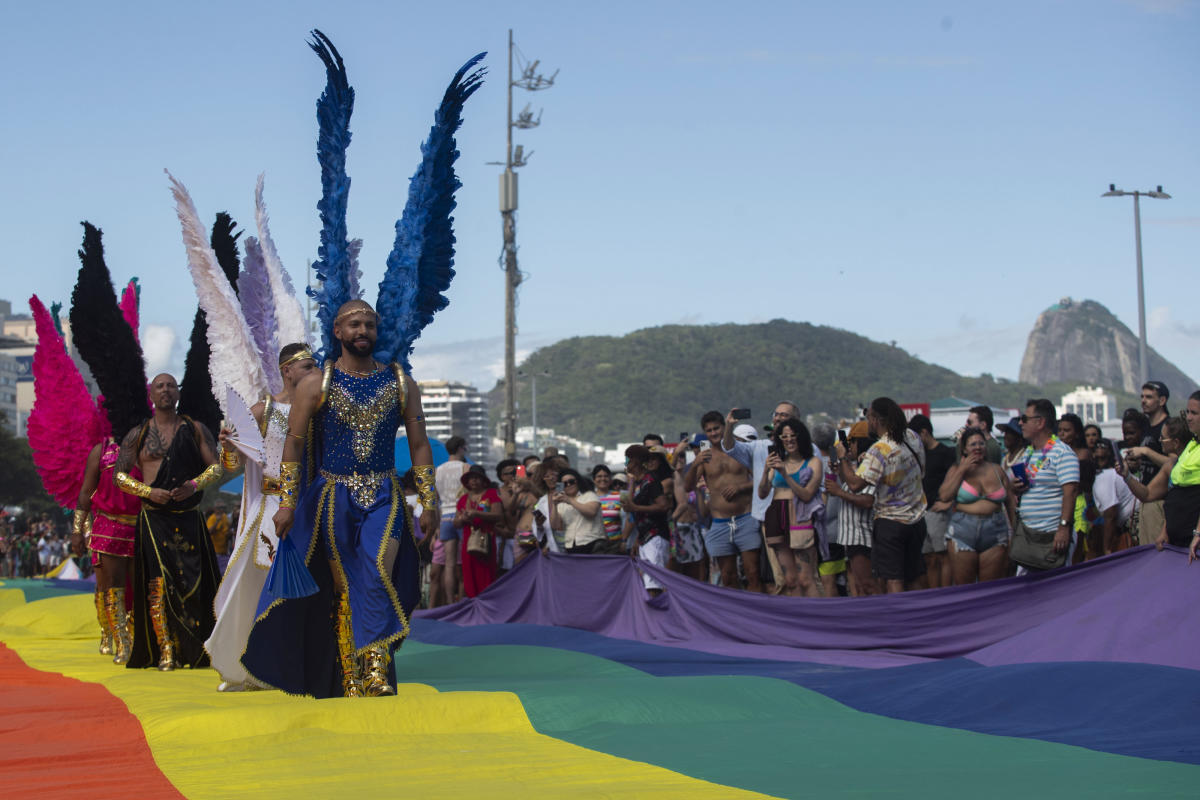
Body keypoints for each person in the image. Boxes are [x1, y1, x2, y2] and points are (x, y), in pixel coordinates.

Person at [242, 299, 438, 698]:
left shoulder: (401, 383)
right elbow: (293, 448)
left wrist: (430, 500)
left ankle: (377, 670)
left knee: (377, 568)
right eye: (354, 325)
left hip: (385, 494)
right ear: (338, 332)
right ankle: (349, 674)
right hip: (334, 498)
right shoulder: (317, 384)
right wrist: (288, 503)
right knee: (344, 586)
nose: (362, 330)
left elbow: (418, 444)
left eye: (368, 324)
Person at [205, 343, 318, 691]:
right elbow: (230, 465)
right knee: (263, 586)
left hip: (310, 506)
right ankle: (253, 662)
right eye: (307, 366)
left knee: (306, 589)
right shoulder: (265, 409)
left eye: (315, 365)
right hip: (271, 507)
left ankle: (299, 663)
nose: (314, 371)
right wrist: (227, 444)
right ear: (287, 370)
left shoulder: (318, 406)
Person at [115, 373, 222, 671]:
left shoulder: (195, 429)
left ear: (178, 393)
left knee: (195, 583)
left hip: (189, 516)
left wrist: (194, 485)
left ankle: (197, 648)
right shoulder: (137, 434)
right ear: (151, 394)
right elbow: (119, 476)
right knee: (159, 583)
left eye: (170, 385)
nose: (165, 390)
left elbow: (216, 468)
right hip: (154, 517)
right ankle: (166, 648)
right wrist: (148, 491)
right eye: (159, 386)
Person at [838, 397, 927, 593]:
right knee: (914, 576)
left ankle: (899, 621)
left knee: (893, 578)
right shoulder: (912, 436)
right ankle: (920, 617)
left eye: (868, 417)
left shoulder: (879, 450)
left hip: (891, 522)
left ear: (876, 420)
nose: (867, 422)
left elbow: (854, 485)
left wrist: (843, 456)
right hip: (917, 519)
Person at [685, 411, 759, 592]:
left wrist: (740, 488)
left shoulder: (740, 449)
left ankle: (759, 617)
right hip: (719, 522)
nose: (713, 433)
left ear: (724, 428)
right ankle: (734, 618)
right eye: (709, 431)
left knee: (753, 572)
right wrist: (695, 464)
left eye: (716, 428)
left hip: (745, 517)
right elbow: (688, 487)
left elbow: (761, 479)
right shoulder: (705, 456)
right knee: (727, 576)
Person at [939, 428, 1016, 584]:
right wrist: (962, 469)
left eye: (981, 443)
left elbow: (1010, 503)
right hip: (963, 530)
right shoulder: (956, 469)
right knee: (965, 588)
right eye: (973, 444)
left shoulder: (997, 470)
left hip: (995, 530)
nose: (978, 447)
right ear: (964, 449)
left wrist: (1014, 532)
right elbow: (945, 496)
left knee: (990, 588)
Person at [1011, 398, 1080, 571]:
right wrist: (1015, 487)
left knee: (1055, 590)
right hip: (1027, 535)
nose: (1020, 423)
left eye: (1025, 419)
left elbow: (1070, 493)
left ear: (1040, 422)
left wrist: (1064, 528)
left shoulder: (1062, 453)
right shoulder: (1028, 453)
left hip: (1051, 537)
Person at [758, 418, 824, 596]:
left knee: (806, 578)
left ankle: (819, 618)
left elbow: (807, 494)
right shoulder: (779, 462)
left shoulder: (813, 462)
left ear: (801, 437)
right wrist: (766, 471)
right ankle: (798, 620)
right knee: (790, 580)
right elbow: (762, 493)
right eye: (784, 436)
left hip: (800, 517)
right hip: (776, 514)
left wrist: (785, 475)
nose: (789, 440)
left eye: (793, 436)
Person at [829, 421, 879, 596]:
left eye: (852, 442)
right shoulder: (858, 466)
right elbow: (851, 486)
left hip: (862, 536)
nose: (849, 446)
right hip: (852, 536)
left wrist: (838, 492)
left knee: (868, 585)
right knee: (859, 585)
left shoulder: (870, 466)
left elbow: (867, 500)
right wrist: (841, 471)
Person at [909, 414, 955, 588]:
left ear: (924, 432)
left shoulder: (945, 453)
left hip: (938, 512)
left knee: (942, 556)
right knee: (928, 558)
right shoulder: (918, 455)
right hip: (922, 512)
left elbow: (957, 480)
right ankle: (933, 593)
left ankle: (945, 593)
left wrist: (948, 503)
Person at [621, 444, 673, 594]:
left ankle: (655, 617)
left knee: (653, 583)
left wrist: (636, 508)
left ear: (635, 462)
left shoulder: (651, 481)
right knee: (647, 582)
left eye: (628, 460)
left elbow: (663, 506)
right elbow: (629, 505)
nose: (626, 464)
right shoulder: (639, 482)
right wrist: (638, 539)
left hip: (655, 536)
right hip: (645, 538)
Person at [456, 465, 503, 596]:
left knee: (487, 573)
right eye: (471, 478)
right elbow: (456, 523)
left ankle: (487, 606)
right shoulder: (463, 499)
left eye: (477, 478)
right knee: (469, 574)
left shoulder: (491, 494)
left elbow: (498, 515)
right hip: (468, 542)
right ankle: (473, 605)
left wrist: (477, 514)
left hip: (486, 539)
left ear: (483, 481)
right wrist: (462, 518)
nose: (474, 481)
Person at [435, 436, 469, 606]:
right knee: (463, 562)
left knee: (448, 564)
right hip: (461, 516)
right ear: (461, 448)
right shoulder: (465, 468)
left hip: (445, 517)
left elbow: (434, 500)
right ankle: (462, 601)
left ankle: (449, 602)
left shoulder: (437, 470)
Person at [1091, 438, 1137, 556]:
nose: (1099, 452)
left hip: (1135, 523)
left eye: (1103, 457)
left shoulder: (1104, 477)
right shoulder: (1103, 476)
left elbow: (1111, 515)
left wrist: (1107, 549)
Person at [669, 444, 708, 580]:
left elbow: (702, 511)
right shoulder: (670, 479)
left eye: (683, 456)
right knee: (677, 571)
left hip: (693, 528)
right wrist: (670, 521)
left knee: (697, 569)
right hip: (677, 529)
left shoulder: (689, 480)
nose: (681, 459)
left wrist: (698, 491)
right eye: (677, 456)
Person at [550, 468, 607, 554]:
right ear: (561, 486)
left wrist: (570, 500)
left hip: (593, 543)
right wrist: (554, 504)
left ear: (578, 481)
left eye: (571, 481)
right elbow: (555, 525)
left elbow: (591, 512)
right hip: (570, 545)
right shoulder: (561, 503)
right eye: (565, 484)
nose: (568, 485)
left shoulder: (589, 495)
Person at [591, 465, 625, 552]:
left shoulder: (619, 496)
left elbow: (628, 518)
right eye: (599, 476)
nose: (603, 479)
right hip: (595, 545)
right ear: (594, 480)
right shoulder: (588, 497)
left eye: (606, 476)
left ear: (610, 479)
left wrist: (624, 540)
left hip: (616, 544)